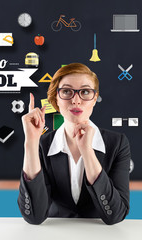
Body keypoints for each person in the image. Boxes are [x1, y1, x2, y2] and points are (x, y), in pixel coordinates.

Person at [18, 63, 131, 225]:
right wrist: (31, 142)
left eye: (85, 92)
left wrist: (87, 151)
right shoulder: (43, 144)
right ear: (56, 98)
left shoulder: (118, 143)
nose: (76, 100)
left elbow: (116, 215)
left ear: (94, 98)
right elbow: (34, 217)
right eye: (66, 91)